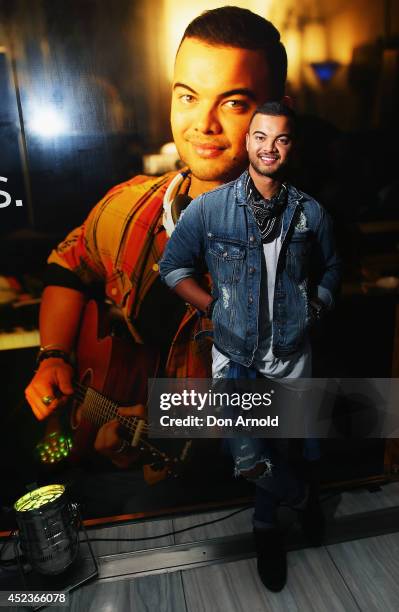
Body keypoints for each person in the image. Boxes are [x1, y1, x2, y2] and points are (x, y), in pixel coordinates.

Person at [24, 10, 288, 473]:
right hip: (144, 487)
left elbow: (337, 407)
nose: (203, 123)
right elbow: (69, 264)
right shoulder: (129, 206)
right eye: (188, 96)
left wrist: (171, 420)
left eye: (233, 103)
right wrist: (53, 357)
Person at [160, 101, 341, 591]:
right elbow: (172, 267)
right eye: (261, 137)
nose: (270, 148)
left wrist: (317, 306)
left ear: (290, 147)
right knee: (251, 458)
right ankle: (301, 501)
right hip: (237, 353)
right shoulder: (209, 208)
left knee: (283, 449)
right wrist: (212, 308)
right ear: (248, 142)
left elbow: (332, 269)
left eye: (281, 139)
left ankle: (267, 531)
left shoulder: (310, 212)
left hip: (292, 353)